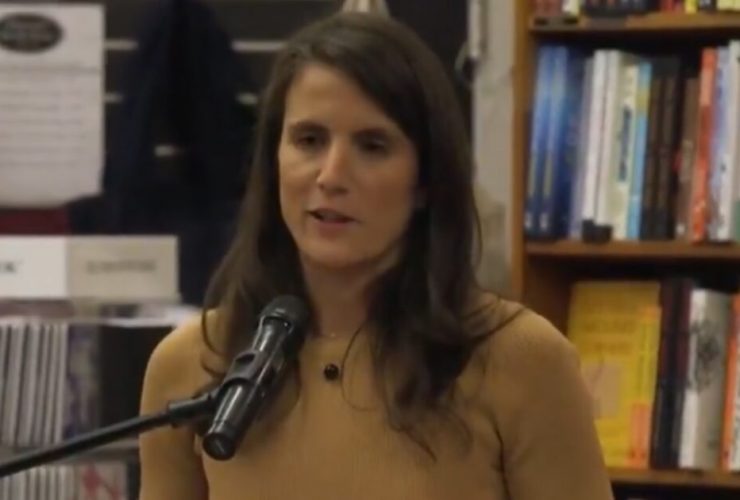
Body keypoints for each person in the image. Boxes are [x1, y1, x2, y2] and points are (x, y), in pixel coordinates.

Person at [138, 11, 614, 500]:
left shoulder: (522, 360)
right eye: (309, 140)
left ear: (425, 181)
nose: (331, 176)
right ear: (273, 160)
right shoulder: (191, 362)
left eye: (372, 146)